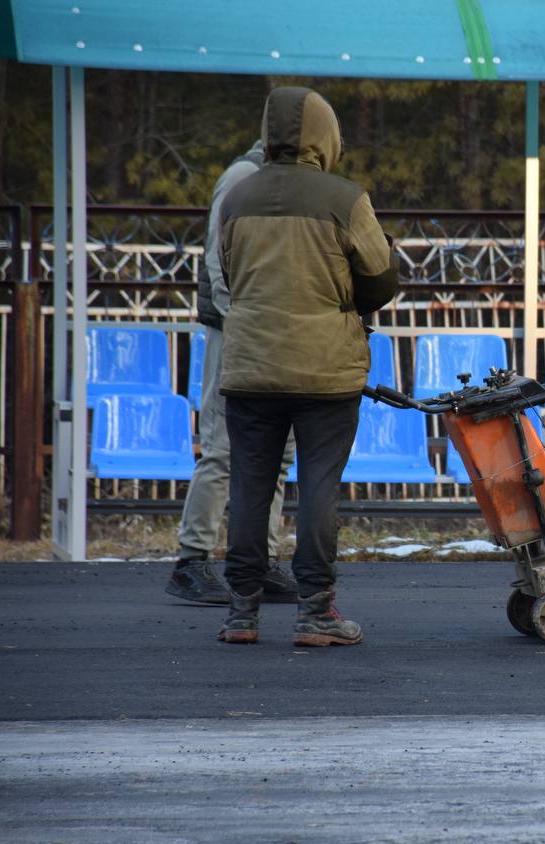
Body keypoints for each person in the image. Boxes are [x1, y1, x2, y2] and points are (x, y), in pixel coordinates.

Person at [215, 86, 397, 646]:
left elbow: (229, 274)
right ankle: (316, 611)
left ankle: (241, 613)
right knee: (318, 487)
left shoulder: (236, 199)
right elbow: (380, 282)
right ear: (326, 136)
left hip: (250, 365)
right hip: (326, 371)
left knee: (250, 485)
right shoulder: (344, 199)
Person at [167, 140, 298, 606]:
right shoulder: (245, 177)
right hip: (238, 330)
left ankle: (263, 561)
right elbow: (217, 259)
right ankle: (192, 560)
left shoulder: (282, 178)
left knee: (278, 451)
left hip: (272, 330)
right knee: (223, 447)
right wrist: (238, 321)